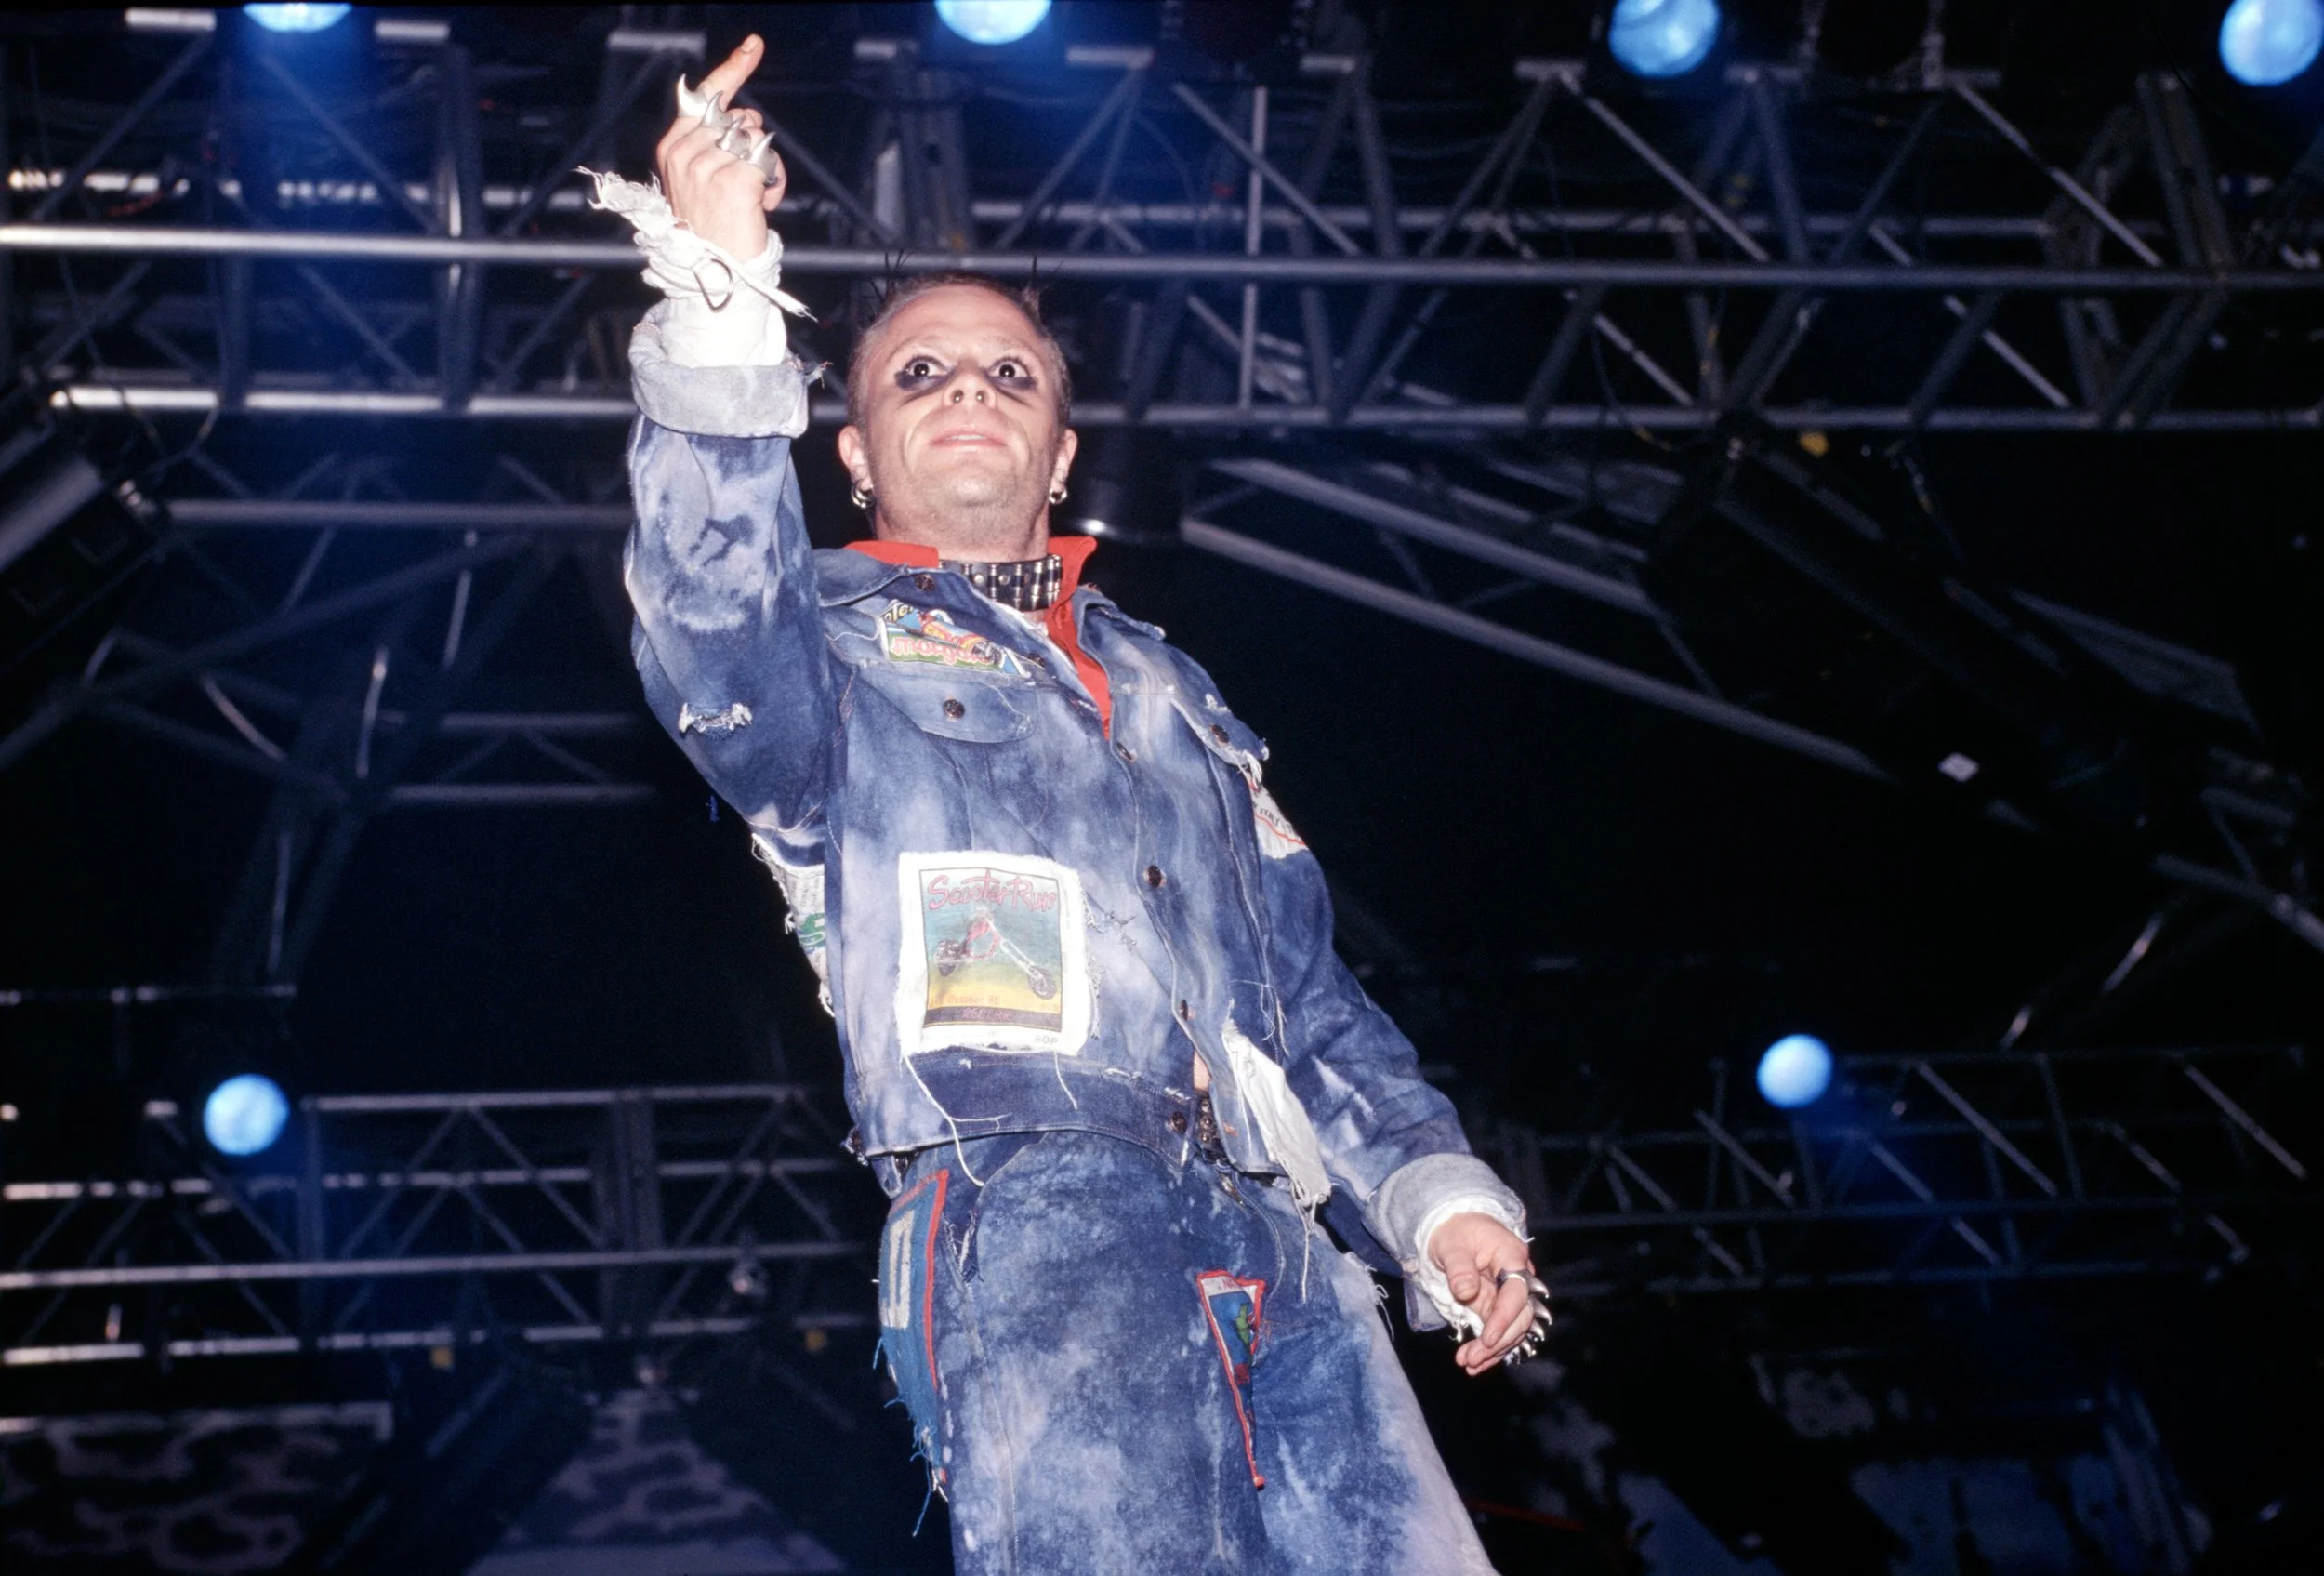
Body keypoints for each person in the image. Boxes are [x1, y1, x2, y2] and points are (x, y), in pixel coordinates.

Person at [609, 35, 1549, 1575]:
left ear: (1059, 448)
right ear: (852, 454)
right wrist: (718, 294)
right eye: (919, 374)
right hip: (1035, 1205)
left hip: (1280, 1233)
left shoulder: (1175, 693)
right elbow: (707, 626)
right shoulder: (824, 647)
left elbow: (1306, 998)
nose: (969, 390)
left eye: (1009, 374)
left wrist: (1433, 1197)